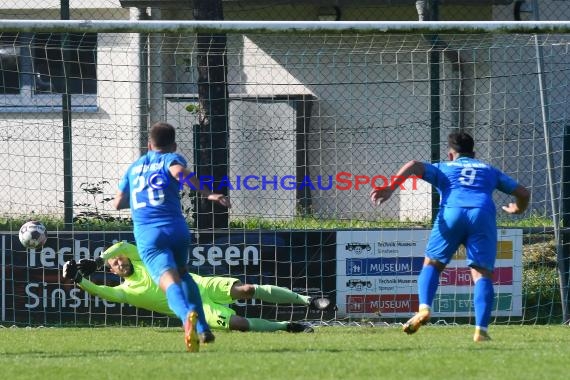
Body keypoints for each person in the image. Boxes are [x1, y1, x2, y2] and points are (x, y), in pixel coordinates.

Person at [369, 131, 530, 342]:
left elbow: (414, 164)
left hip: (452, 213)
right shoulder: (489, 170)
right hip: (481, 214)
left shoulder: (444, 167)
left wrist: (392, 187)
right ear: (473, 153)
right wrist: (518, 208)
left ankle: (425, 308)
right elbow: (524, 193)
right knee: (482, 275)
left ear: (451, 154)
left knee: (432, 264)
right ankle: (481, 330)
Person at [112, 121, 231, 352]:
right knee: (183, 274)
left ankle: (188, 317)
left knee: (169, 284)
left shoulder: (134, 167)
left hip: (149, 234)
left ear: (149, 144)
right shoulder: (170, 159)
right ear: (173, 145)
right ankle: (203, 327)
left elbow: (118, 203)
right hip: (177, 230)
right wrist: (209, 194)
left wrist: (137, 198)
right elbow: (179, 173)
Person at [62, 241, 330, 333]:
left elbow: (121, 244)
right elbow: (100, 291)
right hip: (197, 308)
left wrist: (97, 261)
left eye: (117, 259)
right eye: (114, 265)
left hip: (201, 285)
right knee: (239, 324)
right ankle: (287, 327)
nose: (118, 262)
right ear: (114, 272)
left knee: (246, 289)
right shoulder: (126, 290)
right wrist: (78, 279)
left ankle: (308, 300)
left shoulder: (143, 259)